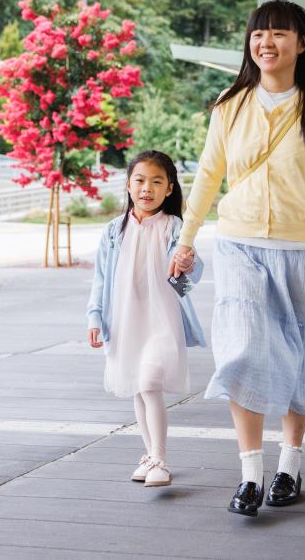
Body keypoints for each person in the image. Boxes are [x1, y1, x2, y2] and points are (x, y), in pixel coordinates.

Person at [169, 0, 305, 517]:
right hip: (239, 244)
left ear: (302, 44)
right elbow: (208, 175)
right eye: (258, 34)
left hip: (303, 250)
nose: (265, 42)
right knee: (243, 350)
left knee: (299, 355)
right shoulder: (230, 104)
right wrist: (185, 241)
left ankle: (289, 465)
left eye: (278, 33)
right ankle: (250, 473)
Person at [86, 150, 207, 488]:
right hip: (125, 321)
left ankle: (161, 460)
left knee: (150, 382)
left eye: (157, 182)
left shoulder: (174, 228)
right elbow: (100, 278)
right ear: (128, 185)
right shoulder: (114, 230)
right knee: (138, 389)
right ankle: (150, 454)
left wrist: (185, 264)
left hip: (162, 320)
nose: (147, 188)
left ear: (169, 189)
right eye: (140, 181)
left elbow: (188, 279)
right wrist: (95, 317)